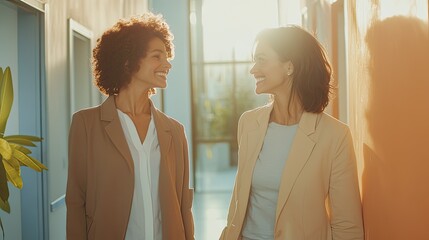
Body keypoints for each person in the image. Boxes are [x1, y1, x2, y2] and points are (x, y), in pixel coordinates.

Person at [220, 26, 364, 240]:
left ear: (290, 67)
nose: (253, 69)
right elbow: (237, 204)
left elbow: (347, 225)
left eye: (261, 59)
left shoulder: (335, 136)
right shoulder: (249, 123)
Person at [66, 13, 194, 240]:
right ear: (127, 62)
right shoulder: (85, 125)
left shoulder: (175, 131)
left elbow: (183, 205)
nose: (167, 64)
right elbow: (76, 202)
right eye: (157, 56)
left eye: (167, 56)